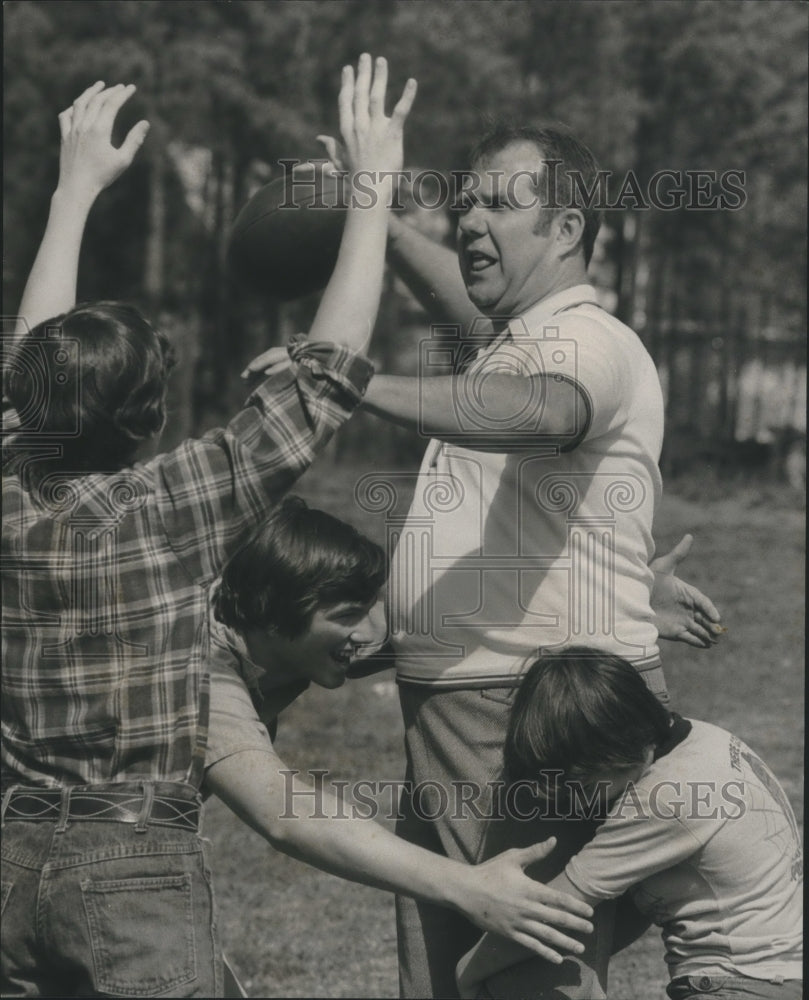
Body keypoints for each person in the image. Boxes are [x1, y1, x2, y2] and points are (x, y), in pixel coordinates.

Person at [1, 62, 594, 998]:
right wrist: (369, 191)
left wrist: (73, 190)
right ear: (152, 423)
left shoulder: (7, 492)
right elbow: (325, 377)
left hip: (11, 858)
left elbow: (28, 363)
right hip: (131, 866)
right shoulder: (172, 510)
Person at [250, 115, 724, 998]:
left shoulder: (586, 342)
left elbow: (535, 410)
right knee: (452, 976)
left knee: (518, 978)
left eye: (499, 204)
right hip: (464, 712)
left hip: (518, 714)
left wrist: (350, 381)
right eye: (464, 204)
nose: (469, 221)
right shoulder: (521, 336)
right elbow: (465, 313)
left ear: (567, 228)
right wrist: (379, 220)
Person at [202, 495, 595, 984]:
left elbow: (443, 622)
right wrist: (470, 889)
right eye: (348, 614)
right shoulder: (190, 666)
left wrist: (617, 607)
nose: (369, 632)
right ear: (271, 610)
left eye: (370, 607)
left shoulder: (263, 627)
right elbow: (287, 816)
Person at [456, 647, 803, 1000]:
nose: (580, 803)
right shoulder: (706, 740)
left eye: (584, 786)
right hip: (781, 974)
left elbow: (556, 909)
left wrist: (469, 970)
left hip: (738, 984)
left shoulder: (663, 798)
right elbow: (636, 907)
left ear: (617, 750)